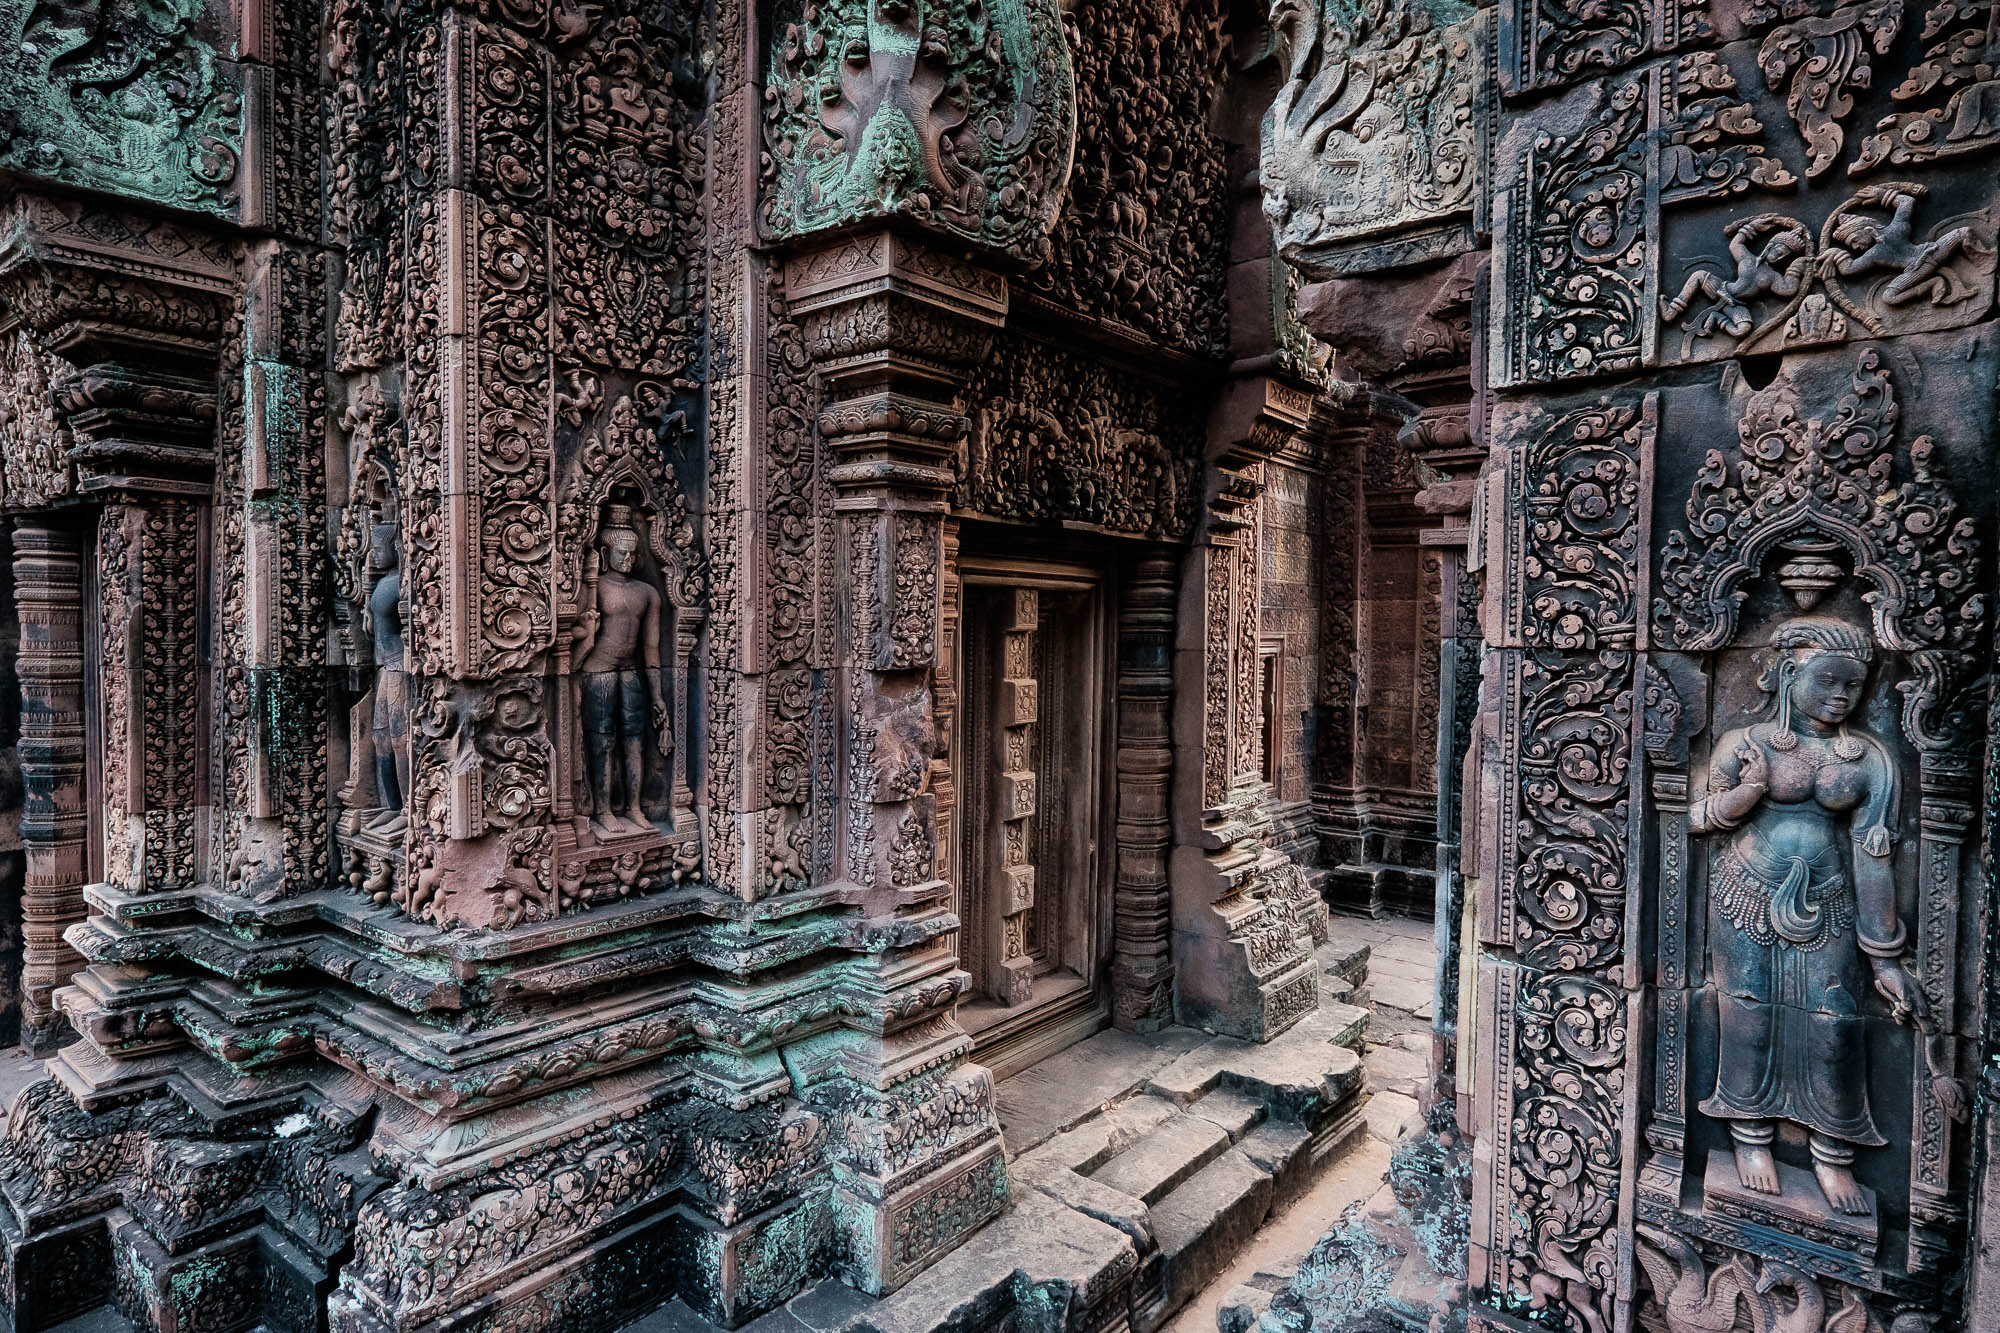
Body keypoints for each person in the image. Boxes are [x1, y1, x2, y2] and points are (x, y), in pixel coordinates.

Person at [1690, 616, 1923, 1216]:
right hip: (1745, 887)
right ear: (1791, 674)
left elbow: (1875, 855)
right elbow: (1696, 816)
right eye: (1828, 682)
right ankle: (1750, 1139)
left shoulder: (1867, 758)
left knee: (1836, 1019)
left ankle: (1832, 1151)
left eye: (1854, 686)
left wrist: (1886, 956)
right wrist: (1744, 795)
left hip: (1829, 897)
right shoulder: (1747, 743)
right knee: (1746, 1011)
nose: (1842, 696)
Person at [572, 506, 670, 838]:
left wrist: (657, 695)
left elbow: (652, 647)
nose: (627, 559)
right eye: (621, 553)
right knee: (602, 741)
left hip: (631, 672)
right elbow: (573, 629)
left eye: (632, 553)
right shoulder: (595, 586)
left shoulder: (648, 593)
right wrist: (586, 630)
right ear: (605, 552)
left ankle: (635, 806)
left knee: (634, 740)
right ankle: (602, 808)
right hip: (598, 670)